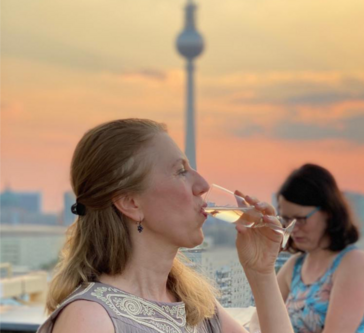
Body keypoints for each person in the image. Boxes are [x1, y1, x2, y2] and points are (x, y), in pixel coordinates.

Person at [37, 119, 294, 333]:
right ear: (130, 203)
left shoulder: (198, 308)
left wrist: (261, 273)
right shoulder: (90, 320)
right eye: (181, 171)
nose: (203, 184)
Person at [250, 164, 364, 333]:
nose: (292, 227)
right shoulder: (295, 266)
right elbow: (258, 320)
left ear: (328, 212)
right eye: (287, 219)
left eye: (301, 219)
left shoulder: (355, 264)